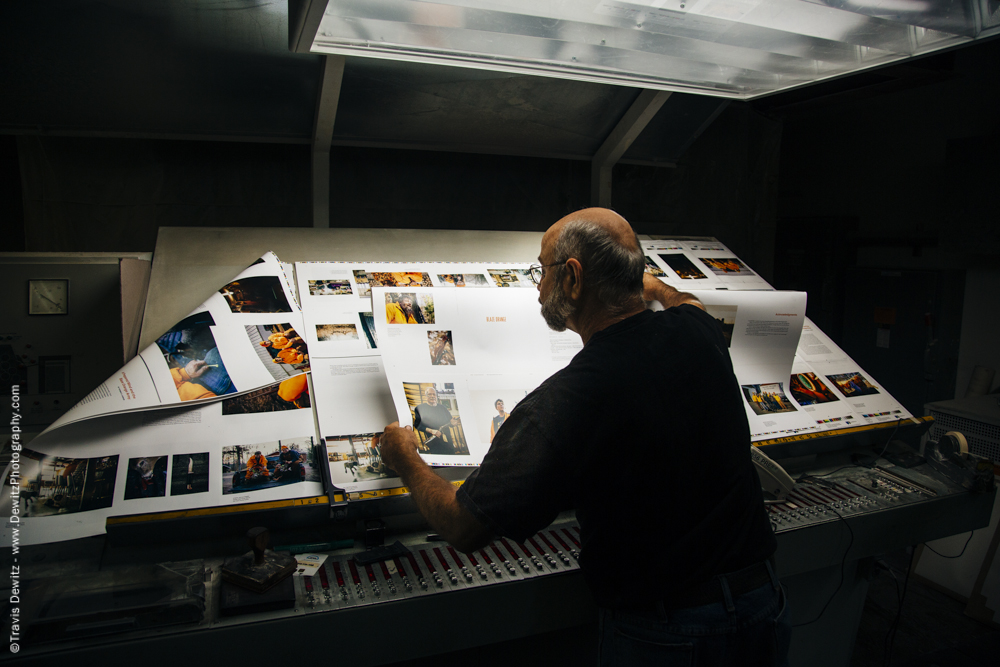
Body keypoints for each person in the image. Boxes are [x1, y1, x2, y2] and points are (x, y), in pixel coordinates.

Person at [380, 208, 789, 667]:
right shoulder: (699, 334)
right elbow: (687, 302)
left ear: (572, 279)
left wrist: (406, 460)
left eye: (541, 271)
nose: (537, 286)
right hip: (762, 604)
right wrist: (653, 287)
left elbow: (462, 525)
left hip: (666, 634)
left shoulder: (571, 398)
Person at [412, 386, 458, 455]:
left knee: (451, 456)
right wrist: (431, 430)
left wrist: (453, 423)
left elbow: (450, 422)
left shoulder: (443, 408)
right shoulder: (420, 408)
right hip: (434, 441)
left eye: (434, 394)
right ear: (426, 396)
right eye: (429, 394)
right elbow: (417, 425)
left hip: (448, 440)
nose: (432, 396)